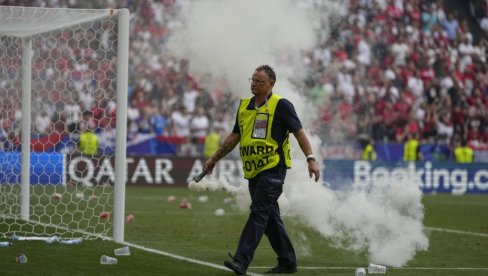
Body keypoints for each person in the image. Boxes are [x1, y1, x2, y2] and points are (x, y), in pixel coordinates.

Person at [203, 65, 320, 275]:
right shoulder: (245, 106)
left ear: (271, 84)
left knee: (258, 213)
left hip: (273, 169)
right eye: (252, 80)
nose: (254, 84)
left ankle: (241, 260)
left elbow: (299, 133)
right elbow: (234, 136)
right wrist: (214, 159)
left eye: (259, 81)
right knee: (270, 219)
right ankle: (288, 262)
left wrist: (311, 158)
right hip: (253, 171)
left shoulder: (281, 105)